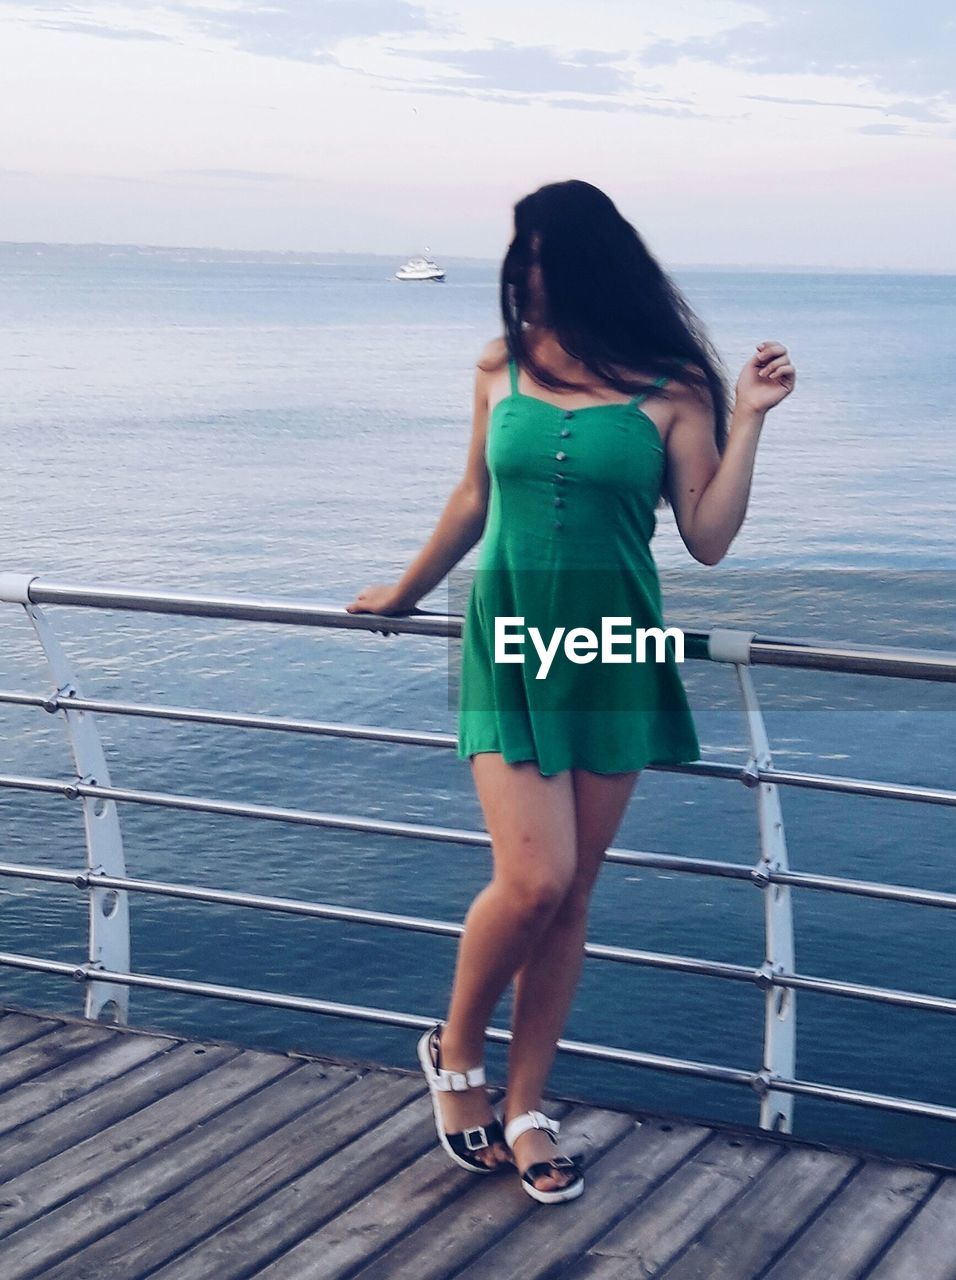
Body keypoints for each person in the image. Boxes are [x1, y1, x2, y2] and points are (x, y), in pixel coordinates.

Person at [347, 179, 795, 1205]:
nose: (526, 288)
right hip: (505, 639)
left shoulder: (676, 386)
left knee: (573, 893)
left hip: (610, 649)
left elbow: (709, 538)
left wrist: (750, 419)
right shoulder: (497, 367)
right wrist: (404, 592)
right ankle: (454, 1051)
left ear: (596, 272)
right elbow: (472, 494)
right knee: (535, 878)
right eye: (520, 270)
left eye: (543, 268)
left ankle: (528, 1101)